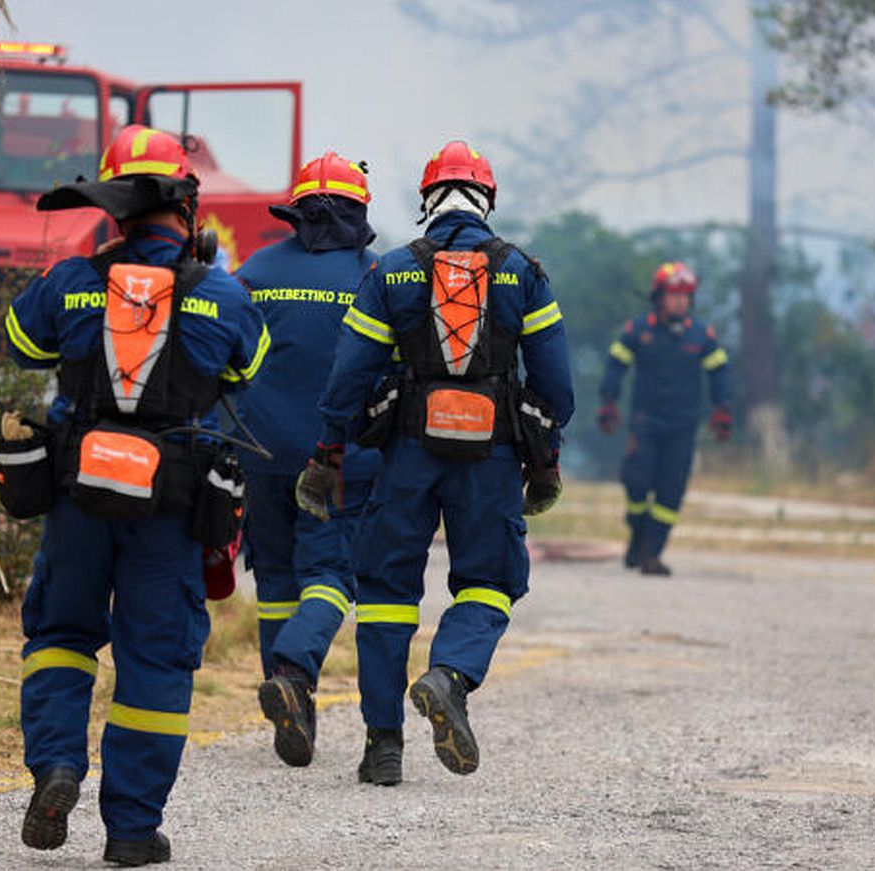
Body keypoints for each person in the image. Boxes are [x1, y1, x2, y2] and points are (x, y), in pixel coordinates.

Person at [3, 124, 269, 866]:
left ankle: (56, 763)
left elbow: (21, 341)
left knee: (60, 634)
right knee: (154, 663)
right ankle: (130, 830)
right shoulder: (224, 293)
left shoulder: (69, 279)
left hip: (78, 495)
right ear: (187, 207)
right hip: (171, 509)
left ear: (115, 207)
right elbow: (246, 372)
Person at [297, 141, 573, 785]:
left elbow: (348, 377)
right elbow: (557, 388)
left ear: (427, 202)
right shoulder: (523, 273)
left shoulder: (391, 271)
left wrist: (331, 448)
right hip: (493, 461)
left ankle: (382, 745)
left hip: (406, 459)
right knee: (491, 582)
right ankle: (449, 674)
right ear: (488, 201)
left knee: (387, 597)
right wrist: (543, 456)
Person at [233, 151, 381, 768]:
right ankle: (294, 672)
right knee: (332, 575)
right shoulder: (377, 276)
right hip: (341, 459)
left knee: (274, 578)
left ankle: (292, 706)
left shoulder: (253, 271)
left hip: (259, 452)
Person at [597, 261, 731, 576]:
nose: (681, 301)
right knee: (637, 482)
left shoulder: (702, 335)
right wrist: (608, 402)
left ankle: (652, 554)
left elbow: (720, 371)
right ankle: (638, 534)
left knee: (671, 493)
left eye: (686, 295)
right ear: (659, 296)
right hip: (645, 422)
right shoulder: (637, 331)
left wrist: (722, 409)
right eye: (674, 294)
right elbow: (616, 365)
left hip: (683, 427)